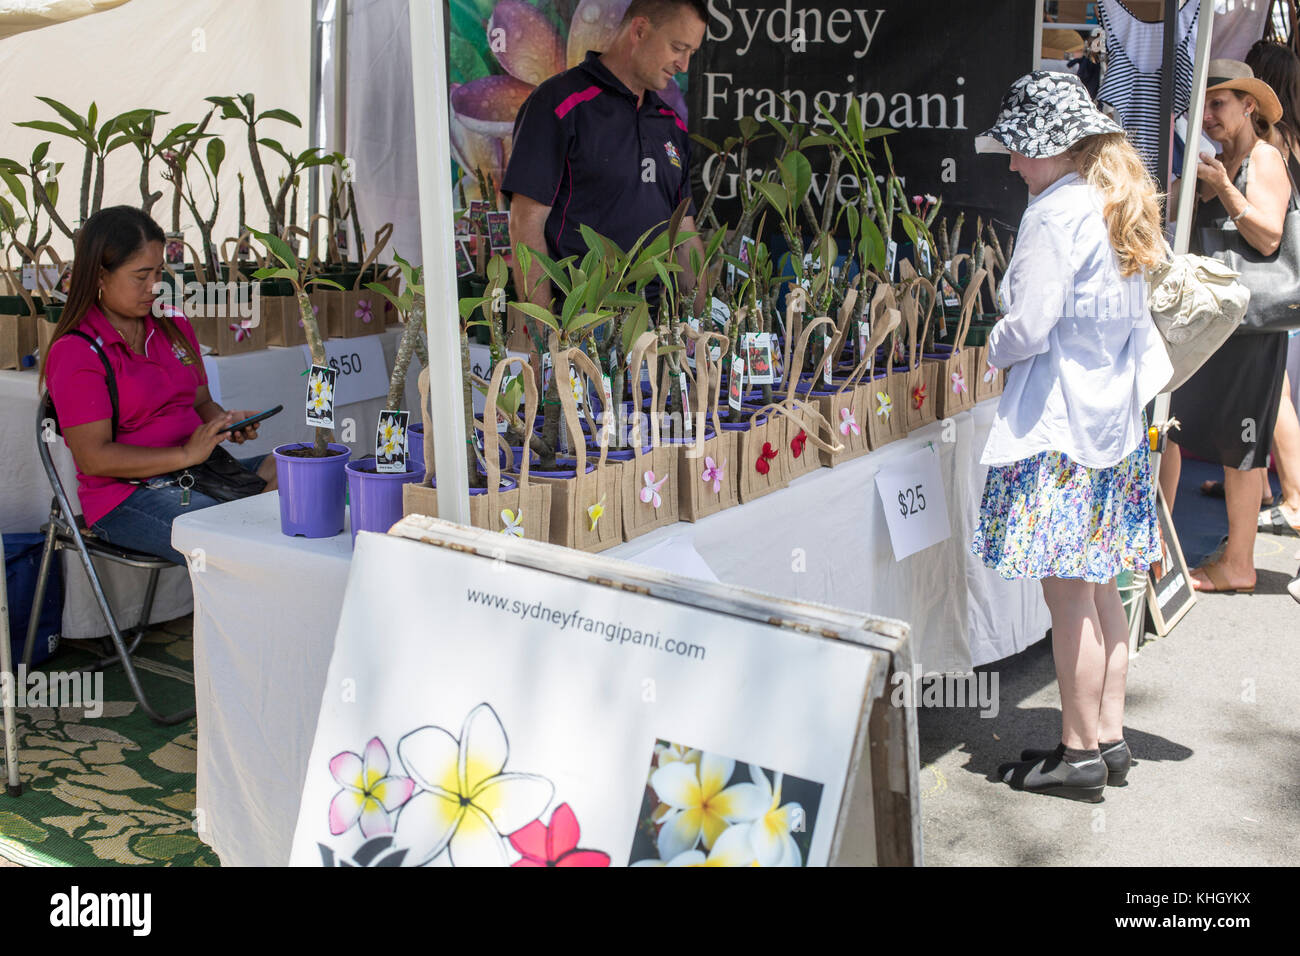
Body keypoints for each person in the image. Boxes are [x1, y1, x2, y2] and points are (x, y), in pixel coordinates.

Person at [971, 72, 1173, 801]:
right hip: (1109, 426)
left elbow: (1029, 324)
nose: (1013, 164)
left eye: (1020, 151)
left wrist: (988, 346)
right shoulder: (1109, 201)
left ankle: (1079, 748)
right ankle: (1108, 736)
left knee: (1070, 605)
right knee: (1100, 591)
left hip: (1059, 430)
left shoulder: (1054, 214)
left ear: (1052, 150)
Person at [40, 206, 275, 566]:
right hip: (127, 496)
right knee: (230, 537)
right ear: (100, 276)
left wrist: (224, 424)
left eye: (160, 271)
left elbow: (201, 402)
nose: (155, 286)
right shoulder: (76, 351)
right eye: (141, 276)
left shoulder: (173, 324)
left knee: (306, 471)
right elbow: (94, 457)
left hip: (198, 472)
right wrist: (184, 455)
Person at [1158, 61, 1293, 592]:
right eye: (1201, 106)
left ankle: (1239, 564)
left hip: (1249, 329)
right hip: (1209, 327)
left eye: (1219, 104)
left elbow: (1268, 238)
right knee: (1171, 426)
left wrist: (1224, 189)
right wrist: (1187, 190)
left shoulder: (1264, 160)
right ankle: (1159, 545)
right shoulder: (1212, 162)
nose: (1207, 115)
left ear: (1249, 107)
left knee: (1242, 444)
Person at [501, 0, 707, 316]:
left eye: (691, 53)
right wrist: (544, 334)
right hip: (580, 324)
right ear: (639, 30)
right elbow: (525, 225)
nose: (684, 65)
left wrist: (699, 324)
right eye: (678, 48)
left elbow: (684, 234)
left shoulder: (672, 124)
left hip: (656, 326)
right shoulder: (558, 104)